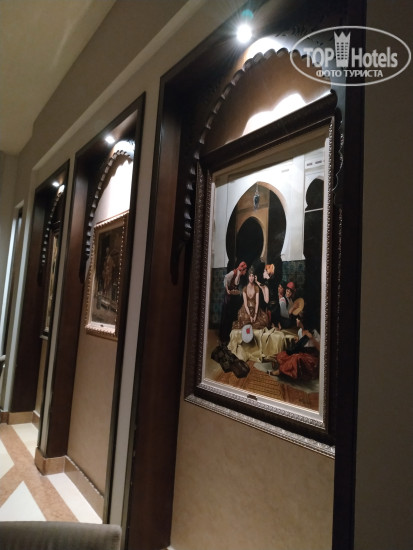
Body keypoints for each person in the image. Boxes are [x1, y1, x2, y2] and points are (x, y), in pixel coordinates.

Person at [269, 312, 320, 380]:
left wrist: (312, 338)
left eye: (298, 319)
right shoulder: (299, 331)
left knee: (296, 358)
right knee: (282, 354)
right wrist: (298, 341)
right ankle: (283, 368)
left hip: (311, 357)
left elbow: (320, 348)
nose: (296, 320)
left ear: (302, 321)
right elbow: (300, 345)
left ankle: (280, 371)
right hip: (301, 353)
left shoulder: (313, 332)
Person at [219, 261, 247, 343]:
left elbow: (235, 285)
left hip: (233, 297)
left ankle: (229, 335)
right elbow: (225, 278)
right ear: (242, 269)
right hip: (228, 297)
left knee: (232, 315)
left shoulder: (239, 275)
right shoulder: (233, 272)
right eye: (245, 270)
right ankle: (224, 336)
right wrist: (227, 290)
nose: (245, 272)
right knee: (227, 316)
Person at [255, 264, 279, 328]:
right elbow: (263, 286)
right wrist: (257, 282)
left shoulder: (267, 283)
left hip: (271, 309)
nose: (263, 273)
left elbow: (266, 300)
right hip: (276, 307)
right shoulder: (272, 280)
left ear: (267, 272)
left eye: (264, 271)